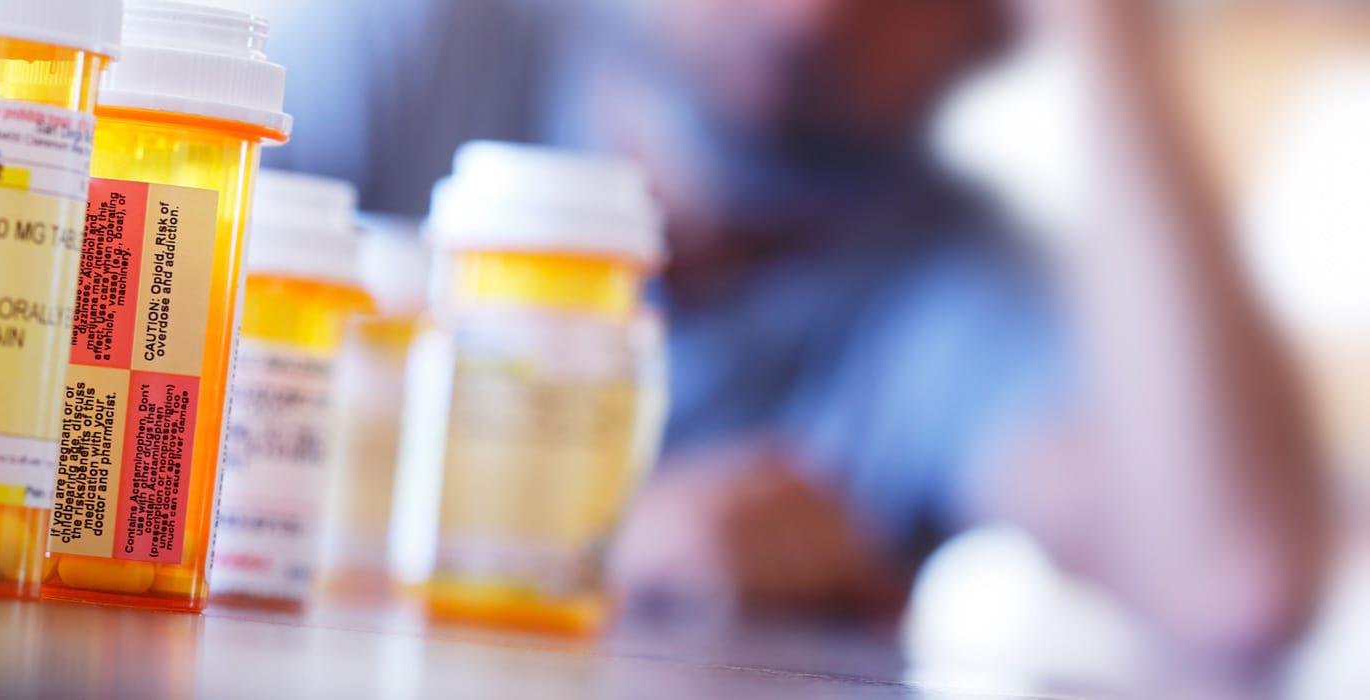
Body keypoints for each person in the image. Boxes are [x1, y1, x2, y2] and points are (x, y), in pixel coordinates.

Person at [261, 0, 1328, 666]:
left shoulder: (942, 290)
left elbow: (1232, 580)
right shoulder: (411, 43)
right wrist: (577, 553)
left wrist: (1110, 38)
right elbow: (111, 379)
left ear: (998, 26)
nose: (808, 18)